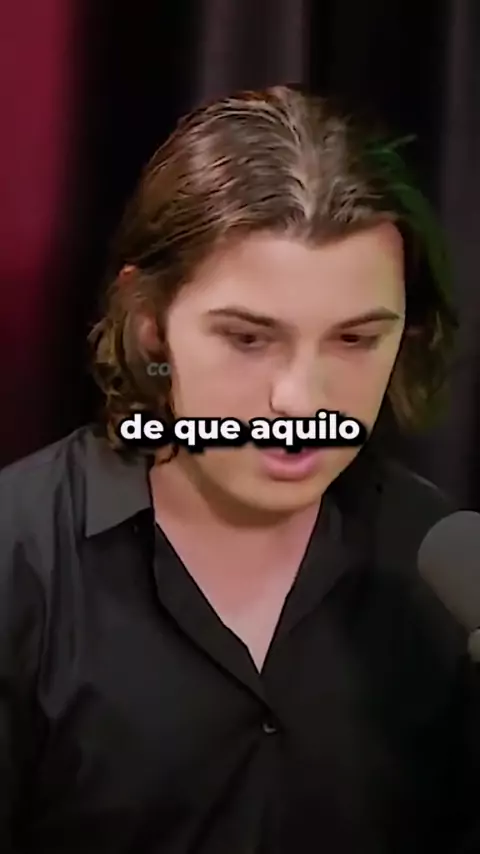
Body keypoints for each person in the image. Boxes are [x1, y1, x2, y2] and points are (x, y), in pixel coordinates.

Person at [0, 84, 478, 854]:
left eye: (355, 340)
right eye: (250, 339)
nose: (300, 400)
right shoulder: (19, 561)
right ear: (151, 326)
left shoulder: (445, 573)